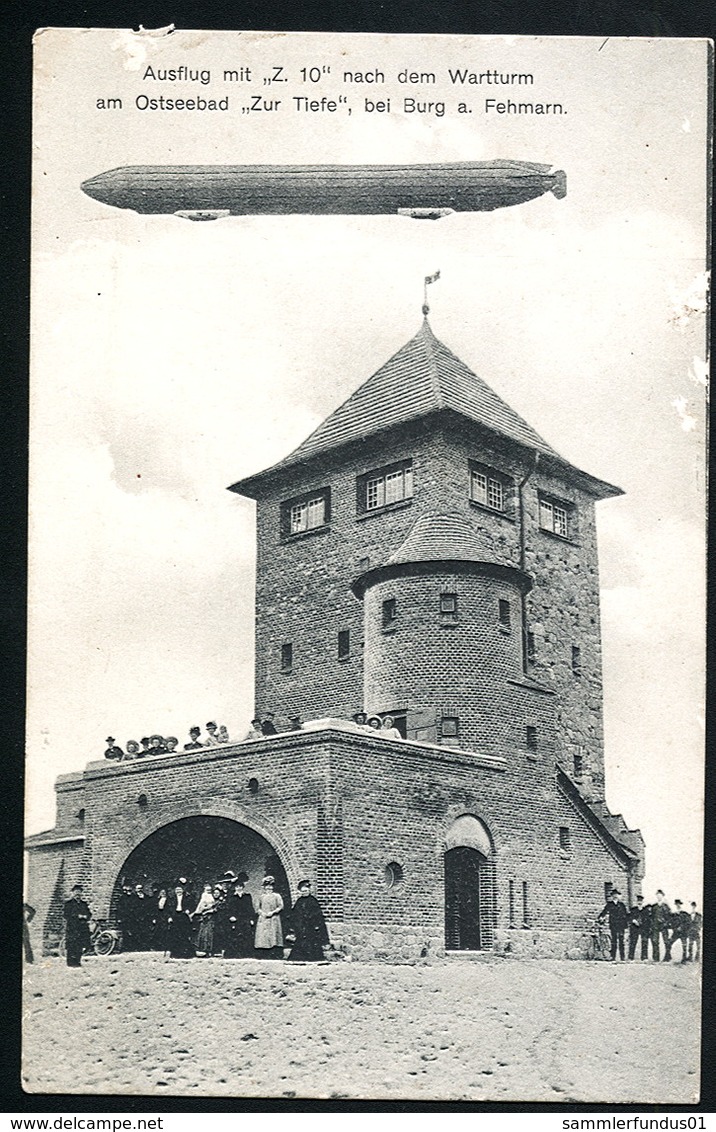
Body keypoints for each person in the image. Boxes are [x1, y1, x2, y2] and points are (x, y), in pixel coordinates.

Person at [287, 880, 330, 962]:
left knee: (312, 942)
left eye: (306, 891)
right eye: (302, 891)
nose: (304, 893)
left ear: (309, 890)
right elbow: (294, 913)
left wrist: (312, 920)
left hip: (311, 926)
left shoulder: (313, 901)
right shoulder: (299, 901)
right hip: (301, 926)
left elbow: (317, 915)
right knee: (300, 942)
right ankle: (299, 958)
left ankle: (313, 958)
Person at [222, 878, 256, 958]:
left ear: (242, 887)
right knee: (235, 935)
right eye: (237, 887)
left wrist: (251, 919)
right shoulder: (231, 897)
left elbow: (250, 908)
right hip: (235, 919)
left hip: (245, 918)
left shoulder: (247, 896)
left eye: (240, 886)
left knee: (246, 935)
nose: (238, 888)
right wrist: (230, 916)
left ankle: (246, 953)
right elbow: (228, 908)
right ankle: (234, 954)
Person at [254, 875, 284, 958]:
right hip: (263, 917)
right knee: (263, 935)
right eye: (267, 887)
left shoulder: (277, 896)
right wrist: (262, 913)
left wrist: (273, 912)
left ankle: (275, 952)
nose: (269, 888)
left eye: (270, 886)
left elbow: (280, 906)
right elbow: (257, 907)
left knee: (274, 934)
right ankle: (263, 953)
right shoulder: (261, 897)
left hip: (273, 918)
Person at [63, 884, 92, 967]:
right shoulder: (68, 904)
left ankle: (78, 961)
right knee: (72, 945)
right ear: (73, 893)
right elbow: (66, 915)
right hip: (72, 928)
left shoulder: (84, 904)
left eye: (79, 892)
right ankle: (70, 962)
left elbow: (89, 914)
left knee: (80, 945)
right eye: (76, 892)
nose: (78, 894)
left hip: (82, 928)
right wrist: (77, 916)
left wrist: (86, 916)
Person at [165, 883, 195, 959]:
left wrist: (189, 910)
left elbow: (192, 905)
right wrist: (169, 917)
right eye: (177, 890)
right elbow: (167, 909)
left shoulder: (187, 898)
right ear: (175, 891)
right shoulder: (171, 898)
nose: (179, 891)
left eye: (180, 890)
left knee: (184, 934)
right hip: (175, 916)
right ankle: (175, 953)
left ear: (183, 890)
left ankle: (186, 953)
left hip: (183, 916)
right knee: (175, 934)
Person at [598, 888, 628, 961]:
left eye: (616, 895)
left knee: (621, 941)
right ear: (612, 896)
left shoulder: (622, 905)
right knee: (613, 941)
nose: (615, 896)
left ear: (618, 896)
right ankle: (613, 957)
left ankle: (622, 957)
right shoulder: (609, 905)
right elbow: (604, 912)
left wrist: (625, 924)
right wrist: (601, 917)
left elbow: (626, 915)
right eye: (614, 895)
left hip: (621, 925)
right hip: (613, 924)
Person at [192, 884, 217, 956]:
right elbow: (201, 907)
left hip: (211, 916)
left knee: (210, 933)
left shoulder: (211, 896)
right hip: (204, 916)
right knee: (204, 933)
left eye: (210, 890)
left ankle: (210, 949)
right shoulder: (203, 896)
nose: (209, 891)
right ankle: (203, 949)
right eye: (207, 890)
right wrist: (207, 908)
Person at [651, 890, 672, 961]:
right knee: (655, 941)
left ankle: (667, 956)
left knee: (666, 941)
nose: (658, 897)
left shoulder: (666, 906)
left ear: (663, 896)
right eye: (657, 895)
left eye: (660, 895)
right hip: (655, 926)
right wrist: (653, 924)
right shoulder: (654, 906)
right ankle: (656, 957)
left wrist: (667, 924)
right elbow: (651, 916)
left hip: (664, 926)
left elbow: (669, 917)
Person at [628, 894, 649, 961]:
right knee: (633, 941)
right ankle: (631, 957)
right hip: (635, 927)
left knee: (644, 942)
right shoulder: (633, 910)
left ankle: (644, 957)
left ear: (643, 902)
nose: (639, 903)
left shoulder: (646, 911)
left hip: (643, 928)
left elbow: (648, 919)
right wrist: (633, 920)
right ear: (637, 902)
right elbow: (629, 917)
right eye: (638, 901)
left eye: (641, 901)